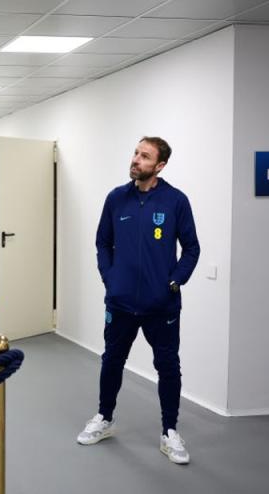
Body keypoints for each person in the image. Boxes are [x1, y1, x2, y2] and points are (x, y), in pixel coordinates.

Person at [77, 136, 200, 464]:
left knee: (168, 366)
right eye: (135, 153)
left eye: (144, 156)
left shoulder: (175, 201)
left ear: (159, 166)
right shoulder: (116, 199)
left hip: (162, 305)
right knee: (112, 361)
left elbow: (191, 248)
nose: (135, 160)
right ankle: (105, 418)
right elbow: (103, 243)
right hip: (121, 302)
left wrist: (174, 281)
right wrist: (110, 277)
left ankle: (169, 432)